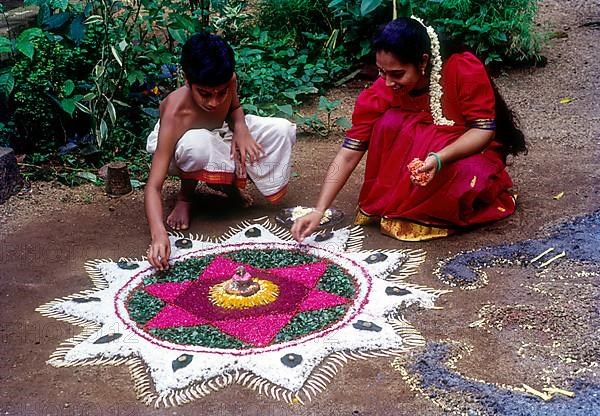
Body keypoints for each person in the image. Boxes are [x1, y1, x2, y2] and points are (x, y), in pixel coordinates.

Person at [291, 17, 526, 243]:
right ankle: (404, 197)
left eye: (397, 74)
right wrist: (320, 209)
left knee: (454, 163)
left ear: (423, 62)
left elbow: (484, 132)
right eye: (381, 72)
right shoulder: (383, 88)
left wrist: (439, 158)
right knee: (389, 123)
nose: (388, 82)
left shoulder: (461, 68)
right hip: (421, 162)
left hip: (463, 154)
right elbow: (349, 153)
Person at [145, 32, 296, 270]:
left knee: (282, 129)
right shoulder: (174, 113)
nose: (214, 102)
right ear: (187, 80)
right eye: (205, 94)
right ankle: (186, 196)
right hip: (181, 148)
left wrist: (241, 129)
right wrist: (158, 235)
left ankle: (228, 185)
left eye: (221, 92)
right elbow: (153, 186)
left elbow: (234, 108)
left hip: (221, 132)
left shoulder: (228, 79)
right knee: (197, 145)